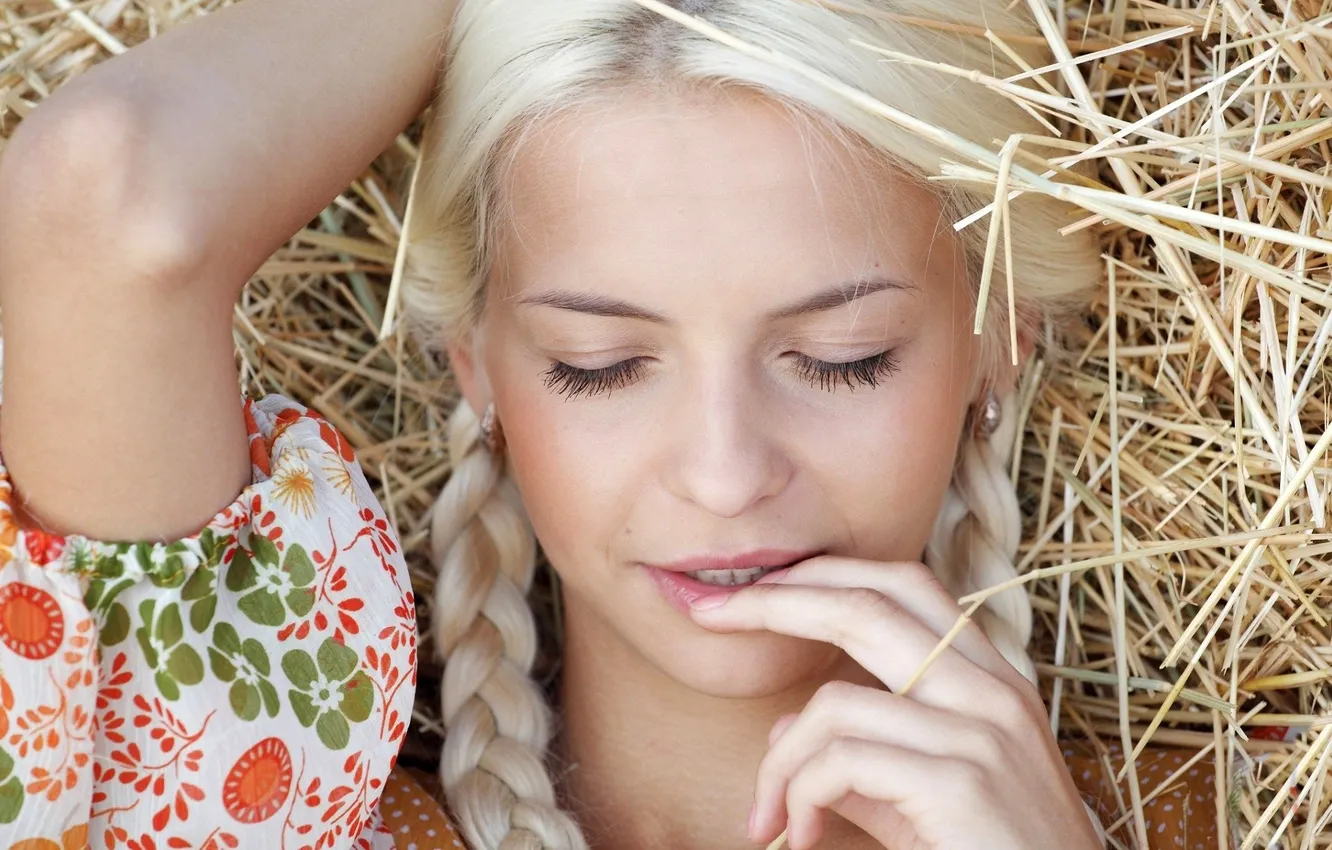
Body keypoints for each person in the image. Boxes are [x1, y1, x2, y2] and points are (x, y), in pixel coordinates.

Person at [0, 0, 1218, 848]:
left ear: (995, 337)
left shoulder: (1219, 816)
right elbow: (109, 202)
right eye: (603, 365)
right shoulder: (291, 811)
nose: (726, 472)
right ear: (477, 365)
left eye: (842, 359)